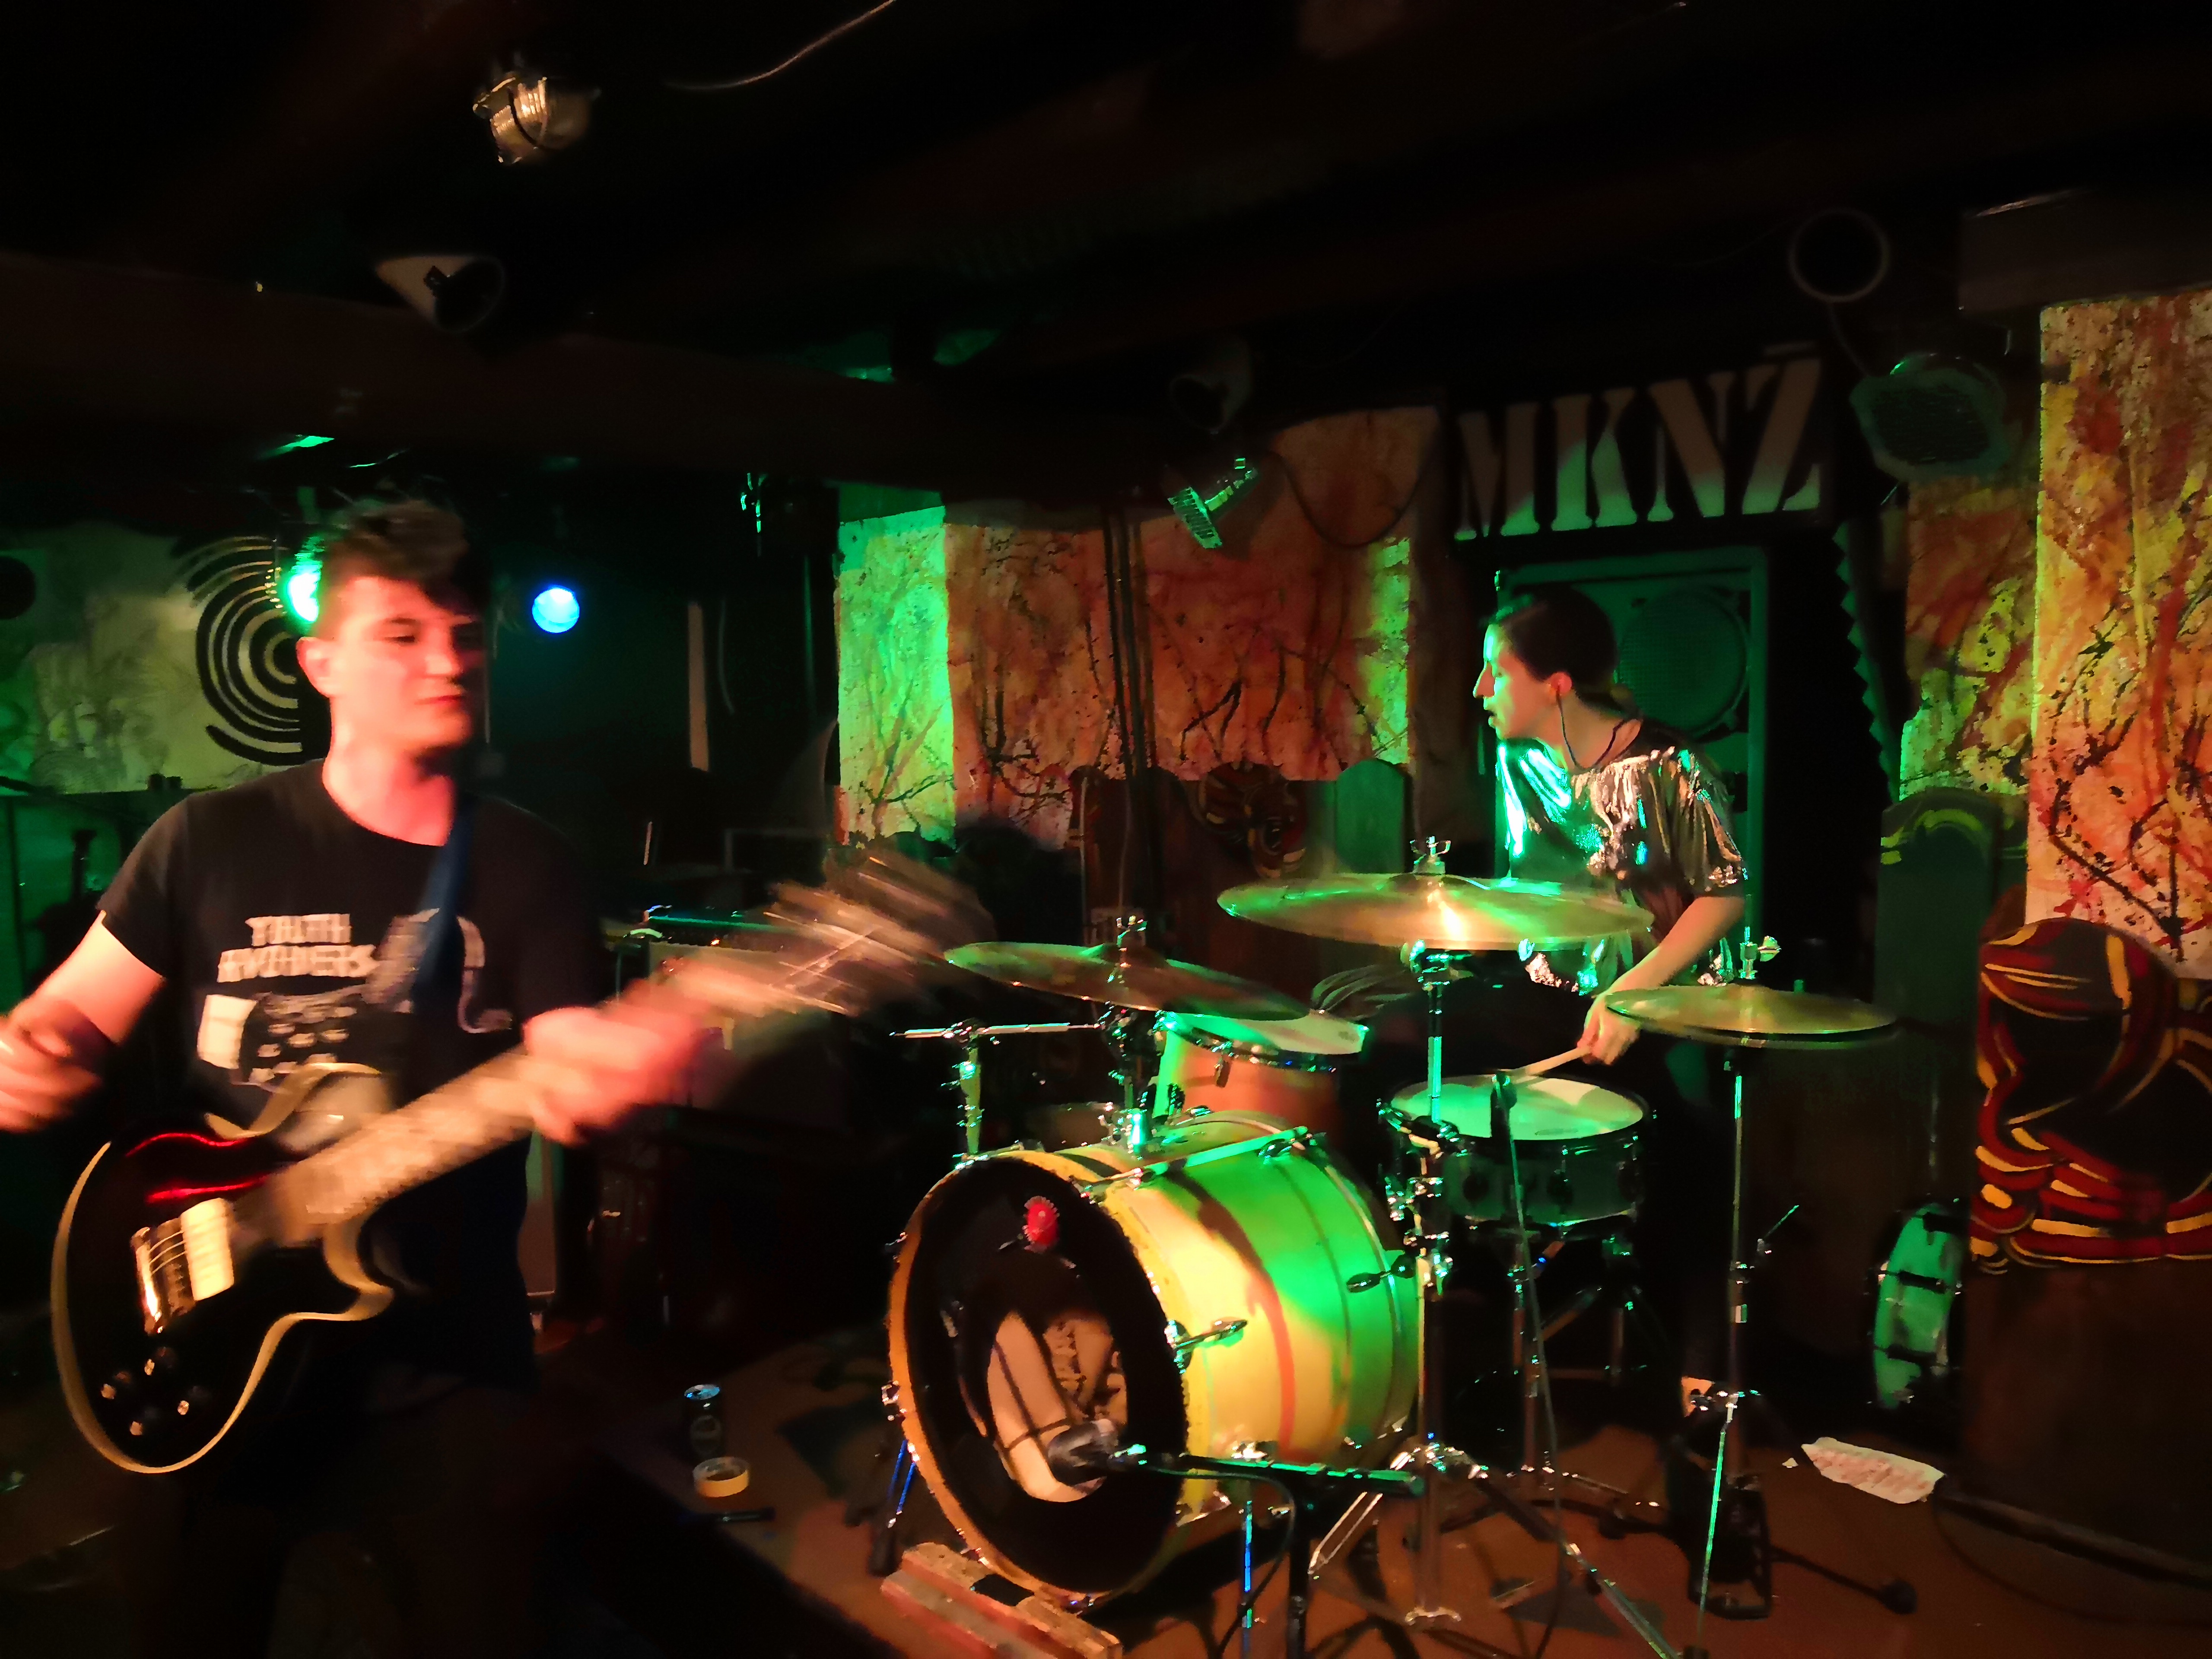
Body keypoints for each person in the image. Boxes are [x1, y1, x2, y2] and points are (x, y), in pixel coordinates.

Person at [0, 502, 709, 1656]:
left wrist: (616, 1076)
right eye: (403, 635)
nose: (447, 662)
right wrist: (30, 1049)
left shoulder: (526, 862)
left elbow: (571, 1059)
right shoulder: (206, 841)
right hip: (216, 1344)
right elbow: (74, 1009)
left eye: (464, 636)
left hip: (447, 1363)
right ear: (319, 662)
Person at [1334, 583, 1746, 1417]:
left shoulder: (1671, 766)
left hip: (1670, 999)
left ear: (1556, 684)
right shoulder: (1518, 761)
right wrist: (1453, 933)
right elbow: (1532, 896)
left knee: (1700, 1140)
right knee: (1390, 1042)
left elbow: (1726, 897)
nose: (1479, 689)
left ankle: (1702, 1379)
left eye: (1497, 670)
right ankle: (1422, 1277)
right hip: (1551, 992)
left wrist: (1631, 997)